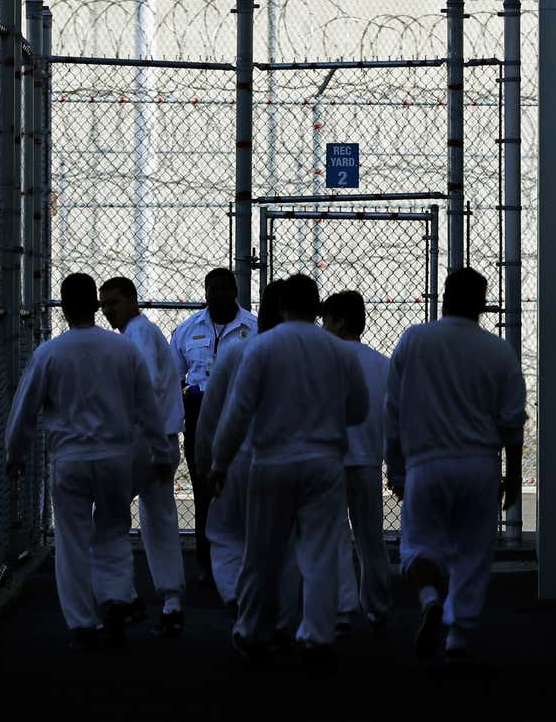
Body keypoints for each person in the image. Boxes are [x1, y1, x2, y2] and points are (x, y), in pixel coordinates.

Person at [209, 274, 368, 662]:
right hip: (324, 460)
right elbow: (359, 409)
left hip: (271, 460)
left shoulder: (261, 348)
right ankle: (317, 633)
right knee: (318, 550)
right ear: (317, 308)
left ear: (281, 307)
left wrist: (220, 461)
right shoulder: (340, 352)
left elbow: (238, 412)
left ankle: (251, 629)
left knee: (262, 552)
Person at [5, 273, 166, 650]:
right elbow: (148, 405)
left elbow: (25, 409)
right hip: (115, 455)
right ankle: (115, 597)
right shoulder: (122, 349)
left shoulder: (50, 352)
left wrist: (15, 454)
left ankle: (82, 622)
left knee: (72, 539)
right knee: (112, 531)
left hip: (70, 455)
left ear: (62, 308)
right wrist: (161, 451)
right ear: (96, 304)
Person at [386, 267, 527, 661]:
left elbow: (392, 410)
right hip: (479, 463)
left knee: (417, 544)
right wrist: (512, 473)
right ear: (482, 304)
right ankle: (458, 634)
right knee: (473, 551)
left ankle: (429, 597)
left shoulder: (414, 341)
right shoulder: (497, 350)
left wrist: (395, 463)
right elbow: (512, 419)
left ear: (444, 296)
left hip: (426, 463)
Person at [192, 279, 303, 636]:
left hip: (241, 458)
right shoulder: (311, 352)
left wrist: (208, 462)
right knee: (286, 545)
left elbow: (214, 413)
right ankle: (284, 622)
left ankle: (237, 599)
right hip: (292, 458)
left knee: (226, 535)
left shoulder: (240, 350)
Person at [99, 276, 187, 637]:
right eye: (104, 304)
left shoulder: (137, 336)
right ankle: (171, 602)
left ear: (133, 301)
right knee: (158, 519)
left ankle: (123, 597)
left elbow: (144, 386)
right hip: (160, 438)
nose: (107, 310)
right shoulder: (142, 333)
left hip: (143, 440)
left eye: (113, 302)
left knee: (108, 518)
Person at [171, 268, 257, 585]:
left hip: (237, 411)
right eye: (213, 289)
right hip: (199, 410)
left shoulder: (253, 327)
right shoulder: (186, 330)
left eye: (225, 289)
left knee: (239, 484)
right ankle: (205, 561)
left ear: (235, 291)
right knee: (203, 485)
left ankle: (244, 559)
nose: (219, 295)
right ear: (205, 292)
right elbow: (174, 376)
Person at [320, 290, 393, 636]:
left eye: (328, 319)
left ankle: (342, 607)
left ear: (341, 321)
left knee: (334, 534)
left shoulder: (324, 359)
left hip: (331, 458)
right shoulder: (381, 363)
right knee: (370, 536)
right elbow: (391, 416)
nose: (324, 325)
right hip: (367, 458)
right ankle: (377, 606)